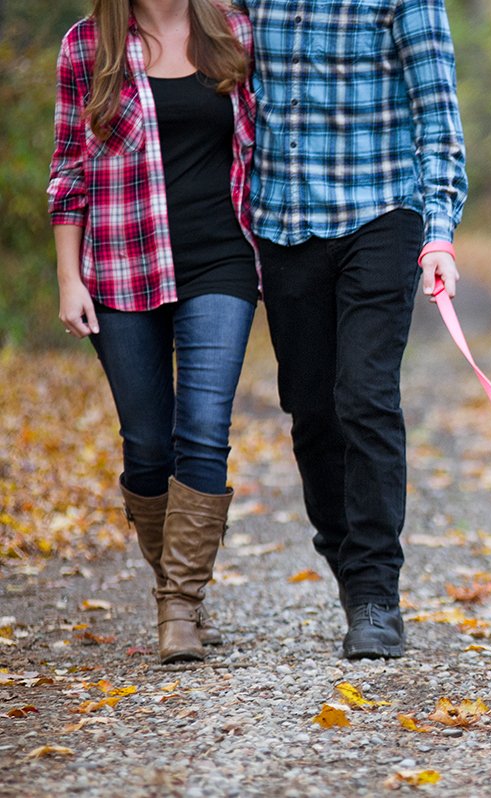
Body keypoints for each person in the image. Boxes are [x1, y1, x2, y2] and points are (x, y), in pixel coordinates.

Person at [233, 0, 467, 659]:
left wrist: (440, 234)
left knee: (365, 395)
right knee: (311, 411)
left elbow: (437, 112)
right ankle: (345, 561)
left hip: (382, 210)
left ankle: (374, 594)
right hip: (284, 220)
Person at [48, 0, 258, 664]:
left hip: (221, 262)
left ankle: (181, 606)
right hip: (119, 265)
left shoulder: (233, 32)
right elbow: (67, 171)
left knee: (204, 427)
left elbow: (267, 145)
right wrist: (68, 279)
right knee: (145, 445)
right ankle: (177, 587)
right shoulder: (87, 46)